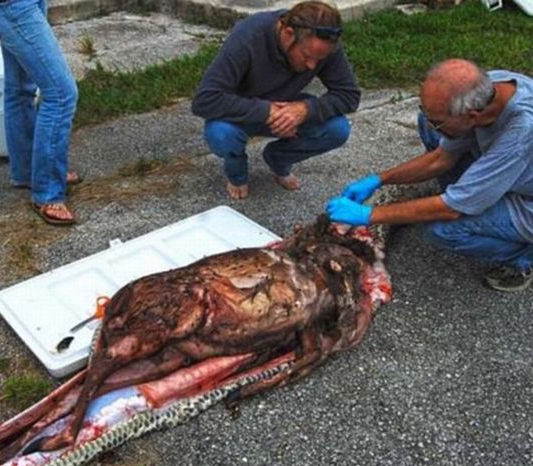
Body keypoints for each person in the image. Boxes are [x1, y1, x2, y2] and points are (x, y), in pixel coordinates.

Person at [326, 59, 533, 292]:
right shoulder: (488, 86)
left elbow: (452, 208)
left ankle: (522, 258)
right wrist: (380, 179)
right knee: (430, 127)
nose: (432, 122)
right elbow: (441, 158)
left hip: (527, 202)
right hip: (513, 168)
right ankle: (475, 193)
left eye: (438, 119)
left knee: (441, 228)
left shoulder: (521, 131)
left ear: (472, 116)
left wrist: (369, 215)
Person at [191, 0, 360, 200]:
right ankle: (237, 173)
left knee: (338, 129)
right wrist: (268, 111)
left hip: (287, 106)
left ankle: (278, 159)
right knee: (221, 134)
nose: (312, 65)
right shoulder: (248, 37)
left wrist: (305, 109)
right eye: (306, 56)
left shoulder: (323, 44)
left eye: (319, 59)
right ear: (288, 34)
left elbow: (349, 95)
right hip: (241, 113)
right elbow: (205, 99)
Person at [0, 0, 79, 225]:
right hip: (10, 6)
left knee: (20, 88)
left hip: (17, 4)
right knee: (61, 94)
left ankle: (29, 172)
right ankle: (47, 192)